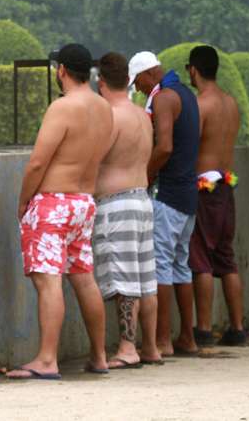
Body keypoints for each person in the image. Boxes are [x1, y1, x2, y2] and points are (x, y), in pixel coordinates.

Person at [7, 43, 113, 380]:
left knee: (48, 282)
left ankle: (47, 360)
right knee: (84, 280)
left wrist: (24, 201)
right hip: (84, 202)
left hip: (54, 203)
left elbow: (38, 161)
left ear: (62, 70)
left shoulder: (62, 107)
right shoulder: (104, 108)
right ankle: (99, 356)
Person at [92, 52, 161, 368]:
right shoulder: (141, 116)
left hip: (116, 204)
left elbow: (93, 158)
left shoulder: (110, 117)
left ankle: (127, 347)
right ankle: (151, 347)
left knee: (124, 282)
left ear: (101, 82)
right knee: (146, 278)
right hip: (143, 200)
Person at [129, 50, 200, 357]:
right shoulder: (186, 92)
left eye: (139, 82)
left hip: (169, 195)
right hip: (189, 195)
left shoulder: (164, 98)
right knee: (181, 266)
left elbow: (165, 146)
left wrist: (145, 174)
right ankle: (187, 336)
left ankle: (162, 341)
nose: (140, 89)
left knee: (161, 267)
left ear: (149, 74)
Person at [186, 45, 245, 347]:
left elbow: (190, 146)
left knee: (201, 259)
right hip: (226, 184)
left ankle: (204, 328)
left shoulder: (200, 105)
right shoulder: (231, 103)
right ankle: (237, 326)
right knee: (226, 258)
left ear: (193, 70)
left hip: (203, 188)